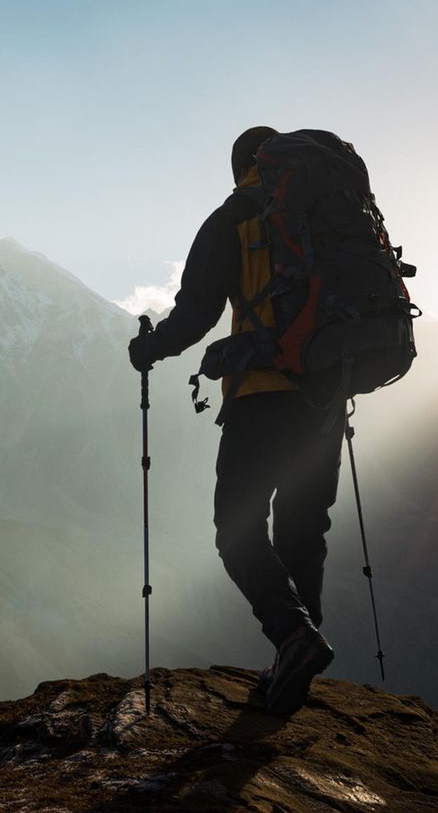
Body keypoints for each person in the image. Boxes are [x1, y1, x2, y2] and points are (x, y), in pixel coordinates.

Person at [128, 125, 344, 715]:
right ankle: (295, 658)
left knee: (237, 529)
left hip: (262, 394)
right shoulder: (330, 215)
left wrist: (149, 350)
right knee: (302, 529)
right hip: (327, 400)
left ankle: (294, 638)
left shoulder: (236, 217)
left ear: (240, 167)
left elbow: (197, 312)